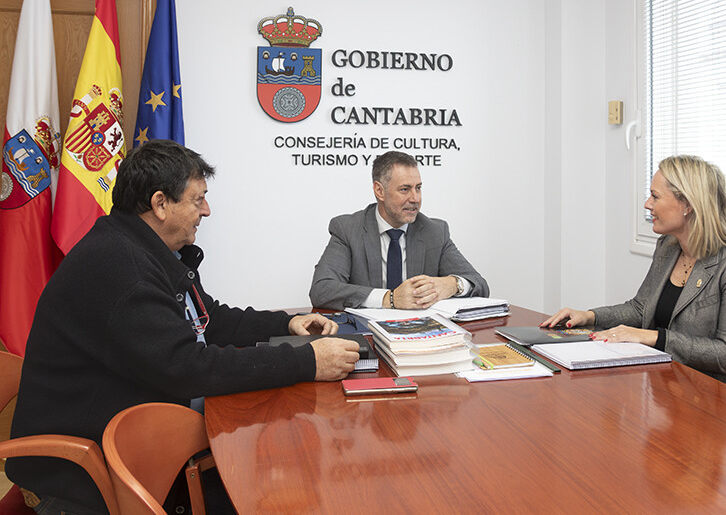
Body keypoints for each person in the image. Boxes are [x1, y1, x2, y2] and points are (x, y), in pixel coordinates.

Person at [7, 140, 360, 515]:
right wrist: (306, 362)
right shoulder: (123, 269)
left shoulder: (145, 248)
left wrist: (288, 323)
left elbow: (209, 318)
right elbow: (188, 368)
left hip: (135, 438)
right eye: (197, 200)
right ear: (160, 204)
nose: (206, 211)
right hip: (80, 480)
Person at [541, 155, 726, 384]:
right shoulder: (668, 247)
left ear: (688, 204)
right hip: (672, 383)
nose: (647, 204)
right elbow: (641, 309)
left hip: (722, 394)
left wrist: (653, 337)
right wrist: (590, 316)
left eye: (655, 196)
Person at [309, 150, 489, 310]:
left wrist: (452, 284)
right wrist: (390, 299)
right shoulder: (348, 229)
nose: (415, 198)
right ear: (379, 191)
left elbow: (480, 284)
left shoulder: (434, 231)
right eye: (405, 189)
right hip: (366, 337)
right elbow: (322, 289)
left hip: (420, 335)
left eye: (418, 188)